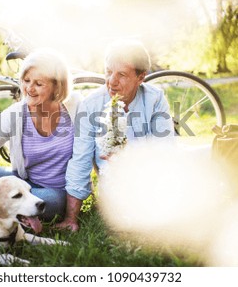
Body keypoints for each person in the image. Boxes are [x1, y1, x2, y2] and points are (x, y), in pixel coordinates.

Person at [55, 39, 174, 232]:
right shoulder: (91, 105)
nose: (112, 81)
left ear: (141, 77)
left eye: (122, 75)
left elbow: (165, 150)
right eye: (108, 72)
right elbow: (80, 160)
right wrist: (71, 218)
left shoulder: (155, 99)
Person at [0, 48, 82, 229]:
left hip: (56, 193)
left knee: (51, 201)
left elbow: (88, 156)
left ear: (57, 86)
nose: (29, 89)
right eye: (26, 81)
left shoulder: (75, 106)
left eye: (39, 83)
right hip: (22, 183)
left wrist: (72, 217)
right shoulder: (16, 113)